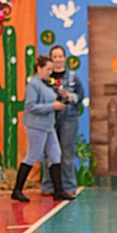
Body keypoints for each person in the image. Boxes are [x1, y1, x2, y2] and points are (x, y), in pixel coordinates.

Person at [11, 55, 73, 203]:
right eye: (48, 69)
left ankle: (58, 190)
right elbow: (30, 106)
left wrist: (61, 98)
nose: (50, 72)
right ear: (39, 68)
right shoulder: (34, 84)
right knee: (32, 156)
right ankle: (17, 190)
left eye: (51, 69)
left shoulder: (46, 84)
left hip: (48, 125)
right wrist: (52, 106)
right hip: (36, 125)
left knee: (55, 154)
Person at [41, 45, 85, 198]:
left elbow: (81, 95)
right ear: (51, 59)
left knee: (66, 154)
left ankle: (68, 186)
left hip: (69, 119)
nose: (58, 60)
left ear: (64, 58)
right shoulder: (46, 78)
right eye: (55, 57)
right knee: (49, 154)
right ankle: (48, 186)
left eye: (60, 56)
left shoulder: (73, 77)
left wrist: (69, 96)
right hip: (49, 118)